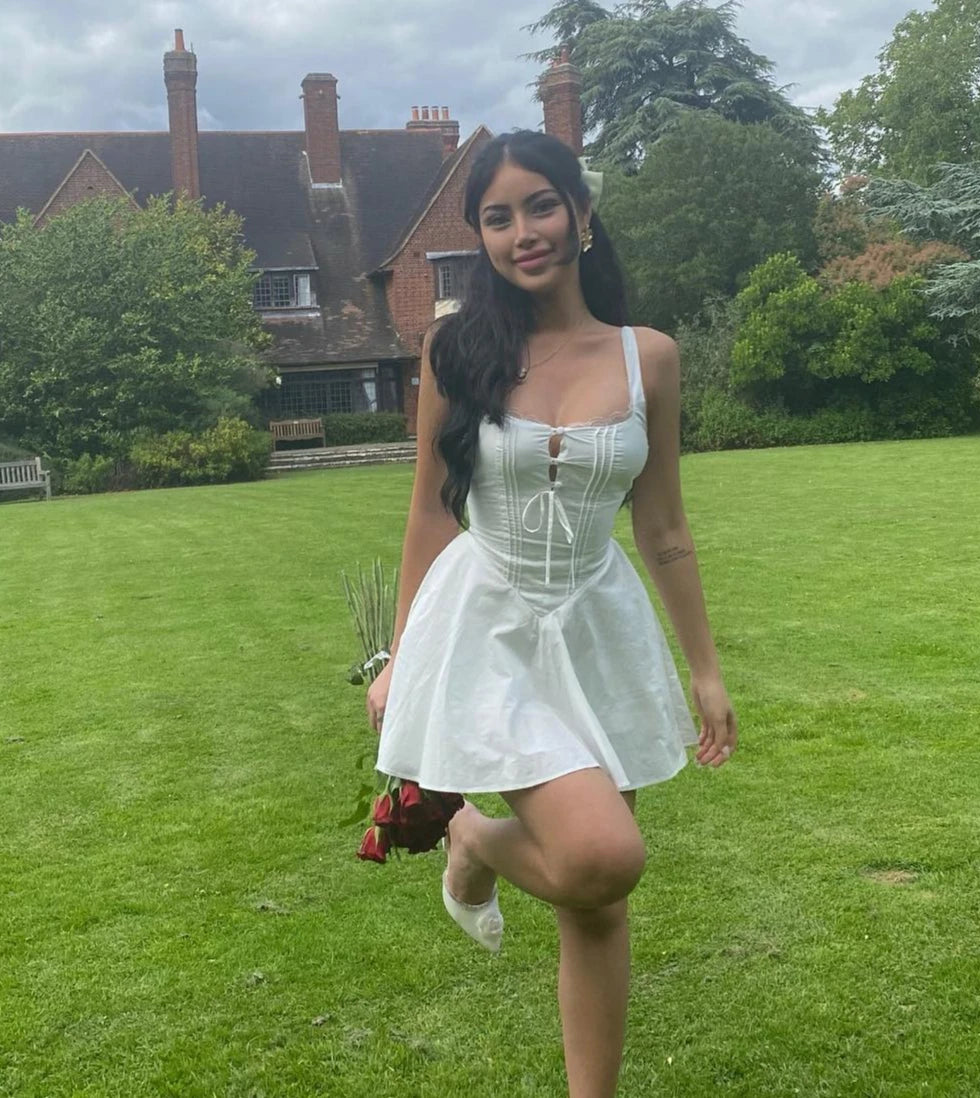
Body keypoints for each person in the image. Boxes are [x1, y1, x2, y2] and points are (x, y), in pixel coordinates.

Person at [366, 129, 737, 1098]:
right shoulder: (457, 350)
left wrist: (704, 669)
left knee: (597, 903)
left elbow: (663, 527)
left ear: (582, 212)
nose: (522, 232)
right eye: (497, 218)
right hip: (486, 625)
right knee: (602, 855)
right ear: (482, 238)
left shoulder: (649, 358)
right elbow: (430, 512)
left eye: (539, 206)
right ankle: (473, 838)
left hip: (600, 630)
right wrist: (400, 656)